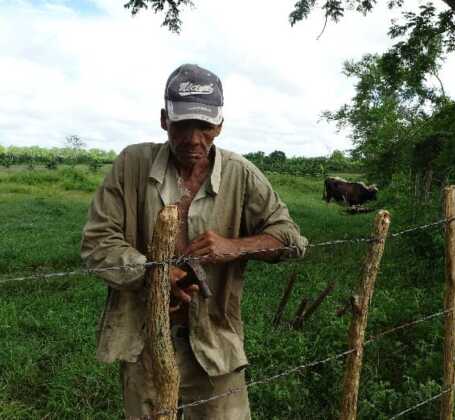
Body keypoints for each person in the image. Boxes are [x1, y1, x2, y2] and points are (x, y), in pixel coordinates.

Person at [81, 63, 308, 419]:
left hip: (215, 343)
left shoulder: (241, 173)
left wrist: (234, 247)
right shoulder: (131, 165)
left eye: (203, 126)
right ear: (163, 120)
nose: (192, 138)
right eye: (182, 124)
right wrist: (152, 274)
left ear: (219, 124)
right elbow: (97, 243)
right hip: (144, 342)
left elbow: (292, 240)